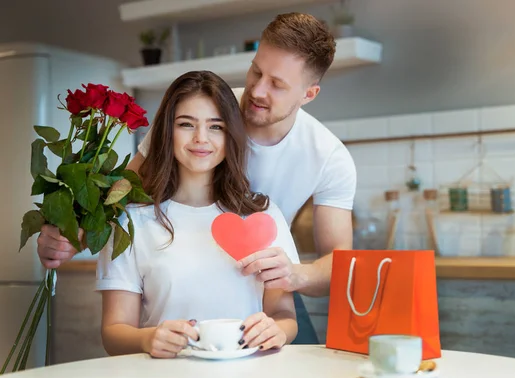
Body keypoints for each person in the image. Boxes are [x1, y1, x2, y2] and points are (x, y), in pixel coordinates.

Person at [36, 12, 357, 344]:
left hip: (267, 281)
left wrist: (292, 273)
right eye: (256, 71)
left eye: (277, 84)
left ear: (309, 94)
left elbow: (341, 263)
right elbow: (124, 195)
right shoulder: (207, 105)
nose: (257, 90)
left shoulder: (328, 156)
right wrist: (70, 239)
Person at [97, 70, 298, 358]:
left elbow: (283, 314)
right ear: (167, 131)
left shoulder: (263, 215)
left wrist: (277, 330)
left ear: (231, 134)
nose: (201, 138)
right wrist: (147, 339)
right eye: (186, 124)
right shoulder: (130, 220)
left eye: (216, 127)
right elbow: (113, 332)